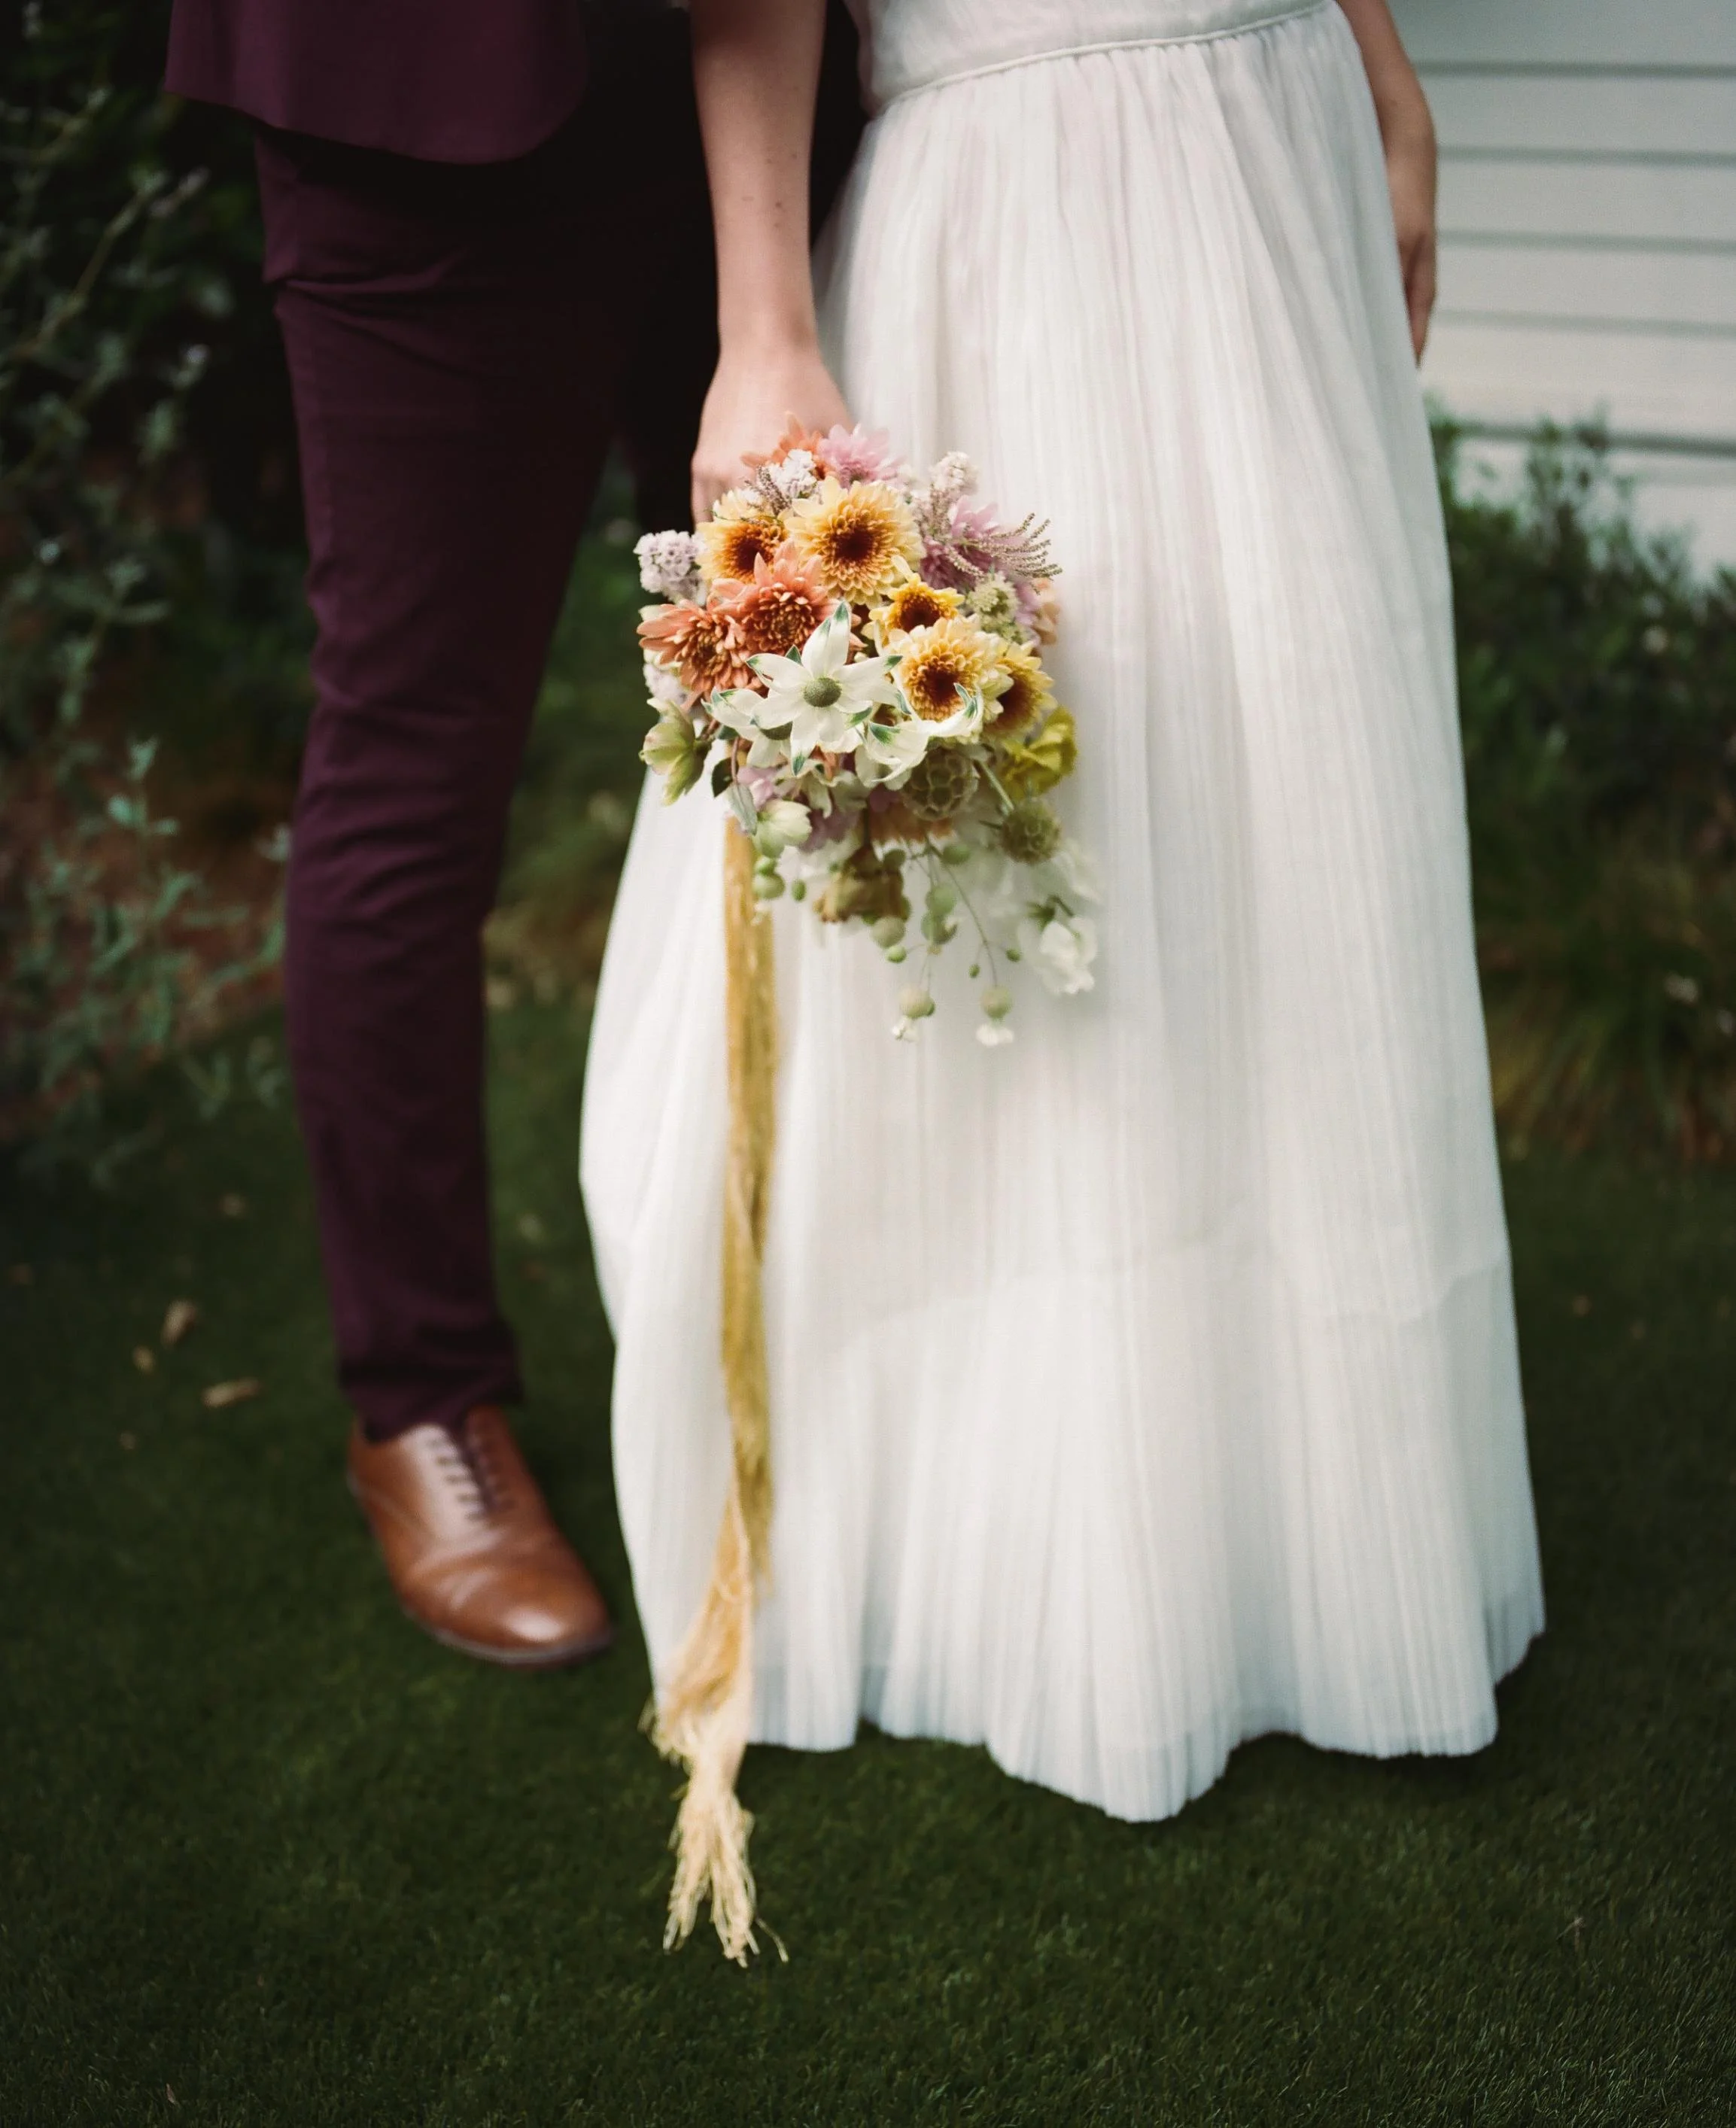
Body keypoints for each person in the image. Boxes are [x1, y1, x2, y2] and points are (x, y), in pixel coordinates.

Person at [583, 0, 1545, 1841]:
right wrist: (761, 318)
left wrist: (1381, 66)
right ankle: (1048, 1540)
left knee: (1291, 808)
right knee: (1043, 847)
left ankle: (1298, 1528)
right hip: (1009, 181)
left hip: (1273, 127)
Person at [162, 0, 862, 1665]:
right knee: (413, 764)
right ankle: (422, 1399)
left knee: (833, 716)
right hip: (422, 88)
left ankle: (838, 1316)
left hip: (787, 103)